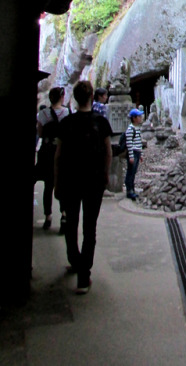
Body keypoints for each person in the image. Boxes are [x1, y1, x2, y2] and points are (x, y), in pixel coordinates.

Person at [54, 80, 112, 294]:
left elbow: (58, 156)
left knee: (71, 224)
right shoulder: (101, 122)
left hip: (70, 180)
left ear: (75, 98)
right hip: (93, 181)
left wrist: (57, 182)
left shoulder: (66, 123)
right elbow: (108, 152)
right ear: (91, 98)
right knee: (89, 228)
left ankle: (75, 260)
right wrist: (105, 174)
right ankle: (83, 274)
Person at [34, 87, 70, 232]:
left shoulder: (42, 114)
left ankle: (48, 217)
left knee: (48, 186)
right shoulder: (66, 113)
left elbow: (40, 133)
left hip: (47, 152)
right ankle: (64, 215)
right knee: (61, 185)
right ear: (62, 97)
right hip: (61, 151)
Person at [125, 108, 144, 200]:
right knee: (130, 172)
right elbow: (129, 144)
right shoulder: (130, 129)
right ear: (134, 118)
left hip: (137, 152)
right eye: (139, 116)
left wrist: (141, 154)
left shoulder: (137, 128)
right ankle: (129, 190)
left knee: (133, 172)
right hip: (132, 153)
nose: (140, 118)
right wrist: (131, 156)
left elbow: (139, 142)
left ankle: (132, 189)